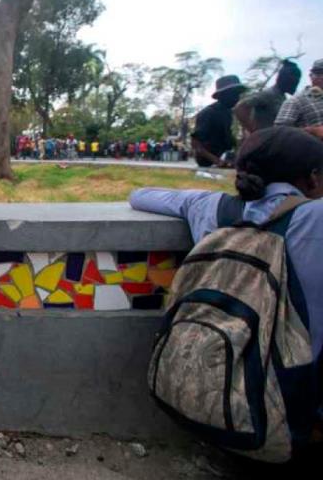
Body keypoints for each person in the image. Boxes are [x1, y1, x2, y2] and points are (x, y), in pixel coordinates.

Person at [129, 126, 323, 425]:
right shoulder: (315, 219)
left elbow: (139, 195)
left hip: (211, 394)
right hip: (289, 407)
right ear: (312, 178)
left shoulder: (209, 208)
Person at [191, 75, 248, 167]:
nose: (237, 98)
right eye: (234, 94)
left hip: (224, 157)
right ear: (222, 95)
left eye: (238, 94)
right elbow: (196, 144)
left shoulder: (228, 113)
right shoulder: (208, 113)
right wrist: (217, 161)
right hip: (208, 161)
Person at [235, 60, 301, 134]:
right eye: (293, 81)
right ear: (284, 80)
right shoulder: (268, 95)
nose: (295, 85)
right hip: (265, 142)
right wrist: (254, 132)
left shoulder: (282, 98)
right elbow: (240, 107)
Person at [276, 58, 323, 139]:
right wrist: (313, 131)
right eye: (318, 73)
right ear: (311, 76)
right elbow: (279, 132)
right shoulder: (296, 101)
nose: (322, 77)